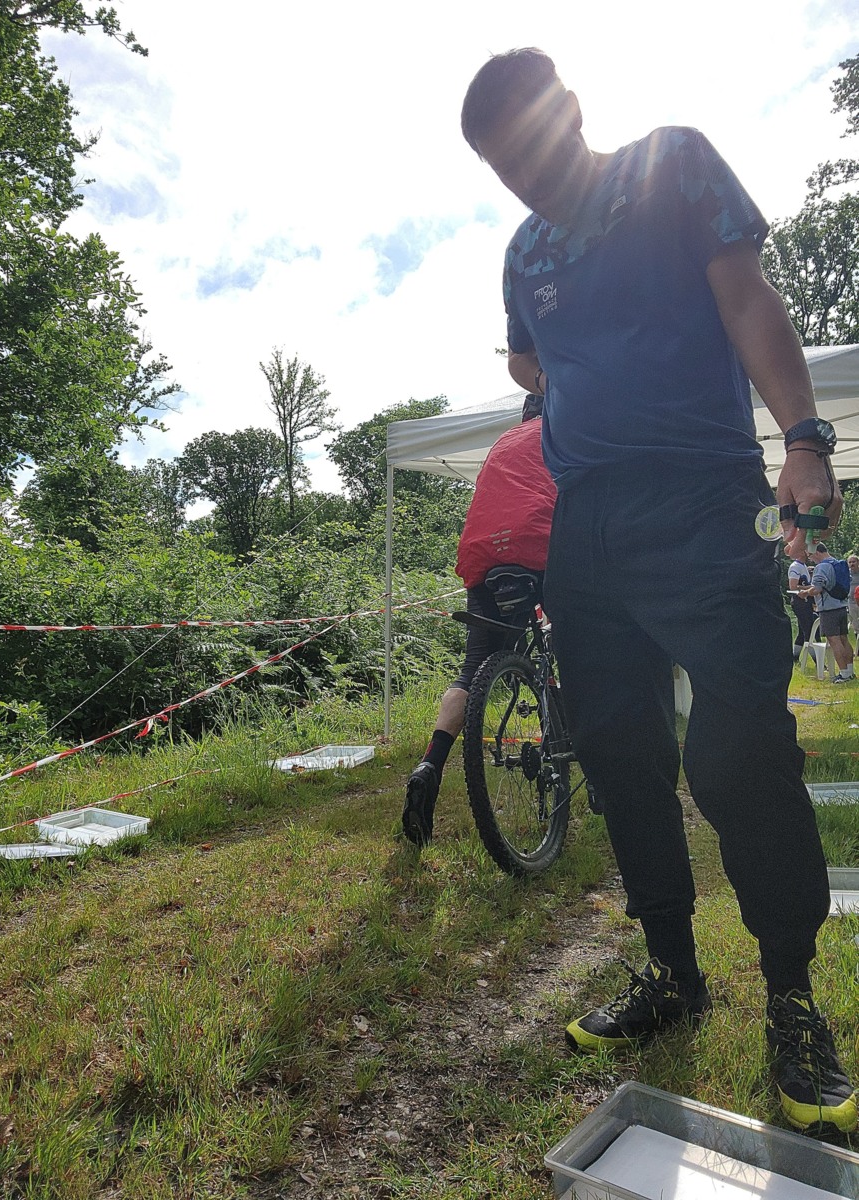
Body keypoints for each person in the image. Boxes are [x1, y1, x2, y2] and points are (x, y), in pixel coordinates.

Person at [460, 48, 856, 1135]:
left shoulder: (674, 166)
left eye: (531, 149)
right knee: (620, 752)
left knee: (739, 750)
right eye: (502, 167)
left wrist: (804, 438)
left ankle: (792, 997)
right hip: (585, 525)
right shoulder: (524, 253)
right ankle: (674, 972)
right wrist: (559, 375)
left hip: (701, 501)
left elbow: (749, 298)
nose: (524, 178)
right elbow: (526, 359)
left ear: (573, 112)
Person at [403, 394, 555, 846]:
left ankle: (430, 763)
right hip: (538, 542)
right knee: (582, 640)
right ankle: (596, 764)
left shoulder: (503, 443)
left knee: (472, 668)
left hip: (482, 553)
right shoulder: (564, 432)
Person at [798, 543, 854, 683]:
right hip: (842, 606)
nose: (810, 559)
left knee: (834, 641)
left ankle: (844, 674)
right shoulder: (838, 563)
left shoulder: (821, 567)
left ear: (817, 552)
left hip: (828, 609)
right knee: (844, 639)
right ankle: (850, 671)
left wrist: (805, 592)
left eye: (810, 555)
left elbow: (817, 589)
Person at [787, 555, 815, 661]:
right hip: (800, 602)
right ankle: (817, 661)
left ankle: (795, 657)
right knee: (809, 631)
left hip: (806, 602)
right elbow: (793, 586)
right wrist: (810, 587)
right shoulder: (795, 566)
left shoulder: (803, 566)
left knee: (802, 631)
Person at [847, 552, 859, 653]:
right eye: (850, 562)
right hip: (851, 602)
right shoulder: (847, 574)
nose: (852, 564)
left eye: (853, 562)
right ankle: (858, 649)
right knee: (855, 625)